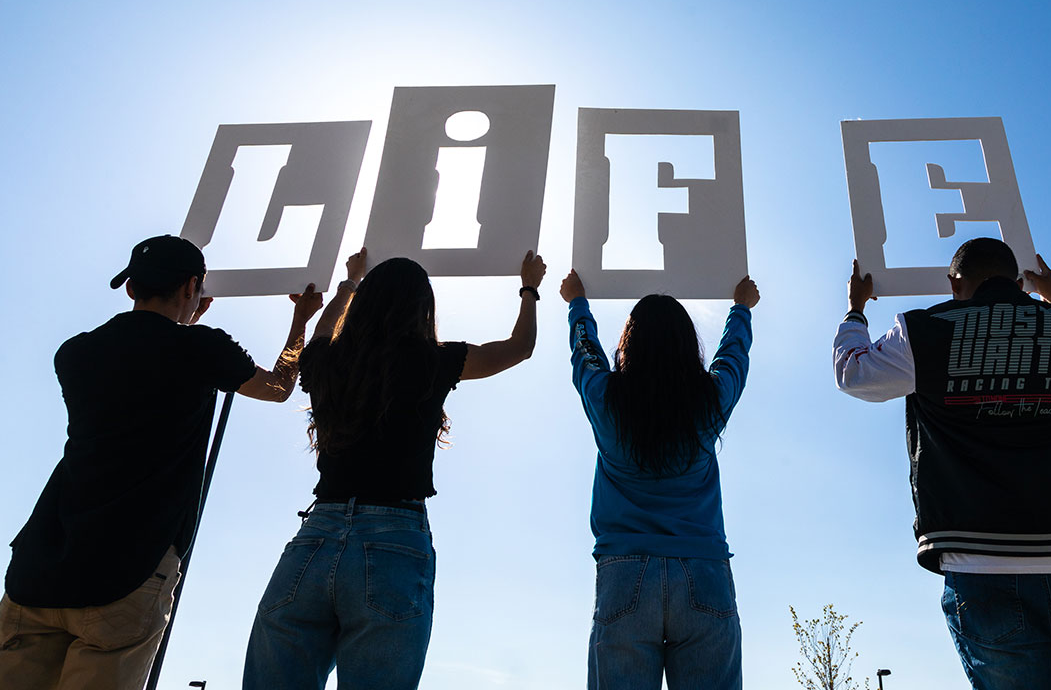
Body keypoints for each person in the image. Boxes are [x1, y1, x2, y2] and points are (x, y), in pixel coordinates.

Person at [0, 234, 323, 690]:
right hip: (127, 572)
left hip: (40, 567)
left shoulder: (74, 353)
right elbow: (279, 387)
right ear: (192, 287)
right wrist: (300, 321)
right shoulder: (202, 349)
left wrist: (188, 323)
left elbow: (139, 366)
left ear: (130, 288)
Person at [833, 237, 1051, 690]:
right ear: (1020, 282)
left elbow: (852, 372)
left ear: (954, 283)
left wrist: (856, 310)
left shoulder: (921, 330)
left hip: (980, 561)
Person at [242, 246, 546, 690]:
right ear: (423, 309)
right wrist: (529, 289)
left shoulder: (328, 360)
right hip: (394, 541)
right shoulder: (434, 360)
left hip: (316, 537)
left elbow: (324, 332)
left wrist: (348, 284)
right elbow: (519, 348)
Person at [561, 269, 759, 690]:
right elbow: (732, 359)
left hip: (625, 573)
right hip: (704, 571)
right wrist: (740, 310)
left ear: (629, 344)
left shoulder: (606, 400)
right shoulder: (709, 404)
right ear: (688, 347)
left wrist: (577, 303)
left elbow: (586, 354)